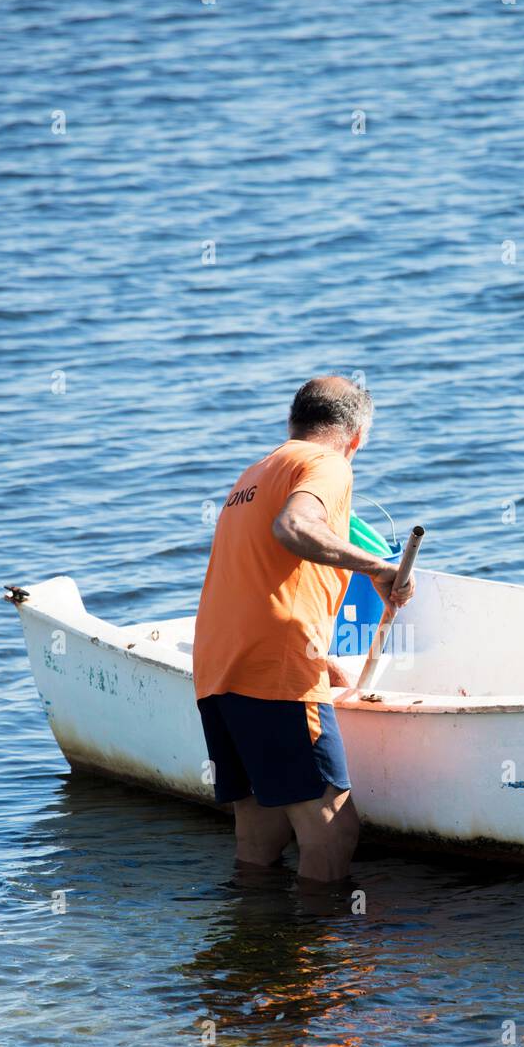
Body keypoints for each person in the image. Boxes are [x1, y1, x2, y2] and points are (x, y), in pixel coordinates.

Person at [193, 375, 415, 884]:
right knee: (333, 831)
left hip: (218, 666)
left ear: (293, 422)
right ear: (356, 437)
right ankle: (316, 960)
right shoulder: (327, 464)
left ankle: (254, 950)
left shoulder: (256, 472)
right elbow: (293, 529)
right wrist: (379, 569)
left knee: (261, 831)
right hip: (274, 671)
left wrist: (321, 658)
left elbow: (261, 584)